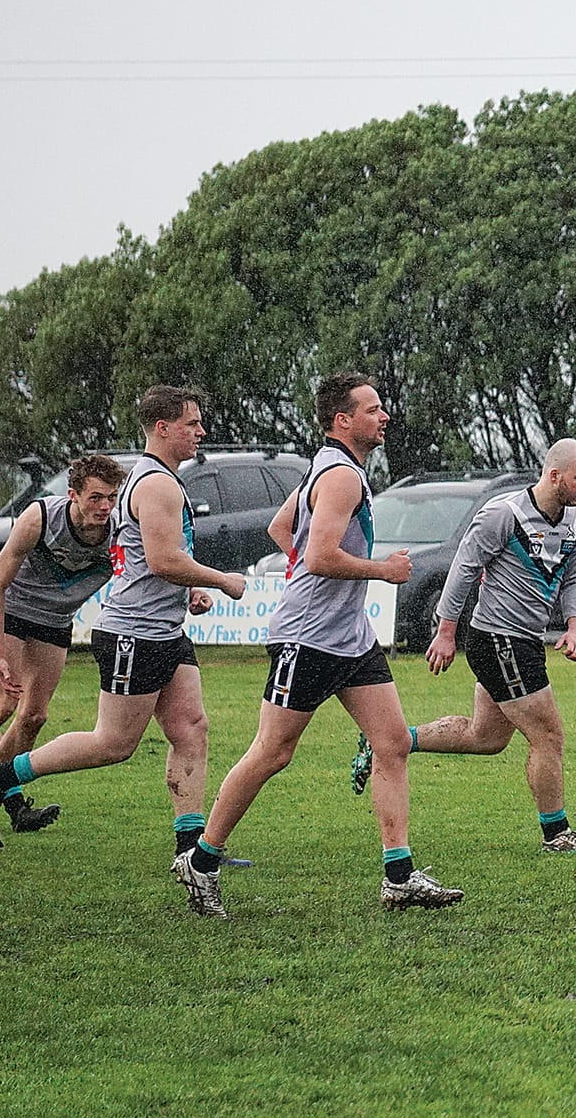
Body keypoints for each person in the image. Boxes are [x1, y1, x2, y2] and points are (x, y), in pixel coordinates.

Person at [179, 373, 458, 916]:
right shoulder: (339, 476)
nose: (384, 417)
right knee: (272, 752)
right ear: (343, 420)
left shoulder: (328, 467)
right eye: (373, 410)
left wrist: (319, 573)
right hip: (307, 638)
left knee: (393, 742)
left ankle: (398, 876)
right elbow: (316, 556)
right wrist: (381, 571)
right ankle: (201, 860)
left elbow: (283, 529)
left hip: (350, 637)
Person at [0, 390, 245, 861]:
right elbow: (163, 559)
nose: (201, 432)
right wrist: (223, 580)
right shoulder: (154, 484)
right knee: (112, 743)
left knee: (191, 729)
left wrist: (188, 590)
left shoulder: (156, 481)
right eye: (192, 423)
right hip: (134, 632)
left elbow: (142, 556)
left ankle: (191, 848)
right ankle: (1, 778)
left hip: (164, 631)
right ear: (162, 428)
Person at [351, 441, 576, 854]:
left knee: (486, 737)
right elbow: (464, 570)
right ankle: (557, 835)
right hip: (497, 639)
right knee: (549, 735)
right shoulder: (504, 515)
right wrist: (446, 631)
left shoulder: (575, 523)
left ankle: (393, 740)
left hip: (523, 641)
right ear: (555, 475)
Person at [0, 454, 126, 835]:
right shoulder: (40, 517)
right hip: (15, 613)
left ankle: (5, 795)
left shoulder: (120, 529)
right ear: (73, 494)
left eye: (112, 498)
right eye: (95, 498)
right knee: (0, 709)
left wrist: (195, 590)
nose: (105, 507)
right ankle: (12, 803)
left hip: (55, 621)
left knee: (35, 717)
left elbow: (159, 561)